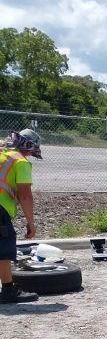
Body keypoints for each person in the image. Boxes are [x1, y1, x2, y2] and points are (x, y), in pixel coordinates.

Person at [0, 129, 41, 303]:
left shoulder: (2, 154)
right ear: (28, 147)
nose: (31, 155)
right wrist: (31, 223)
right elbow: (25, 195)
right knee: (3, 246)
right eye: (32, 152)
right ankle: (8, 290)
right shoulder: (20, 161)